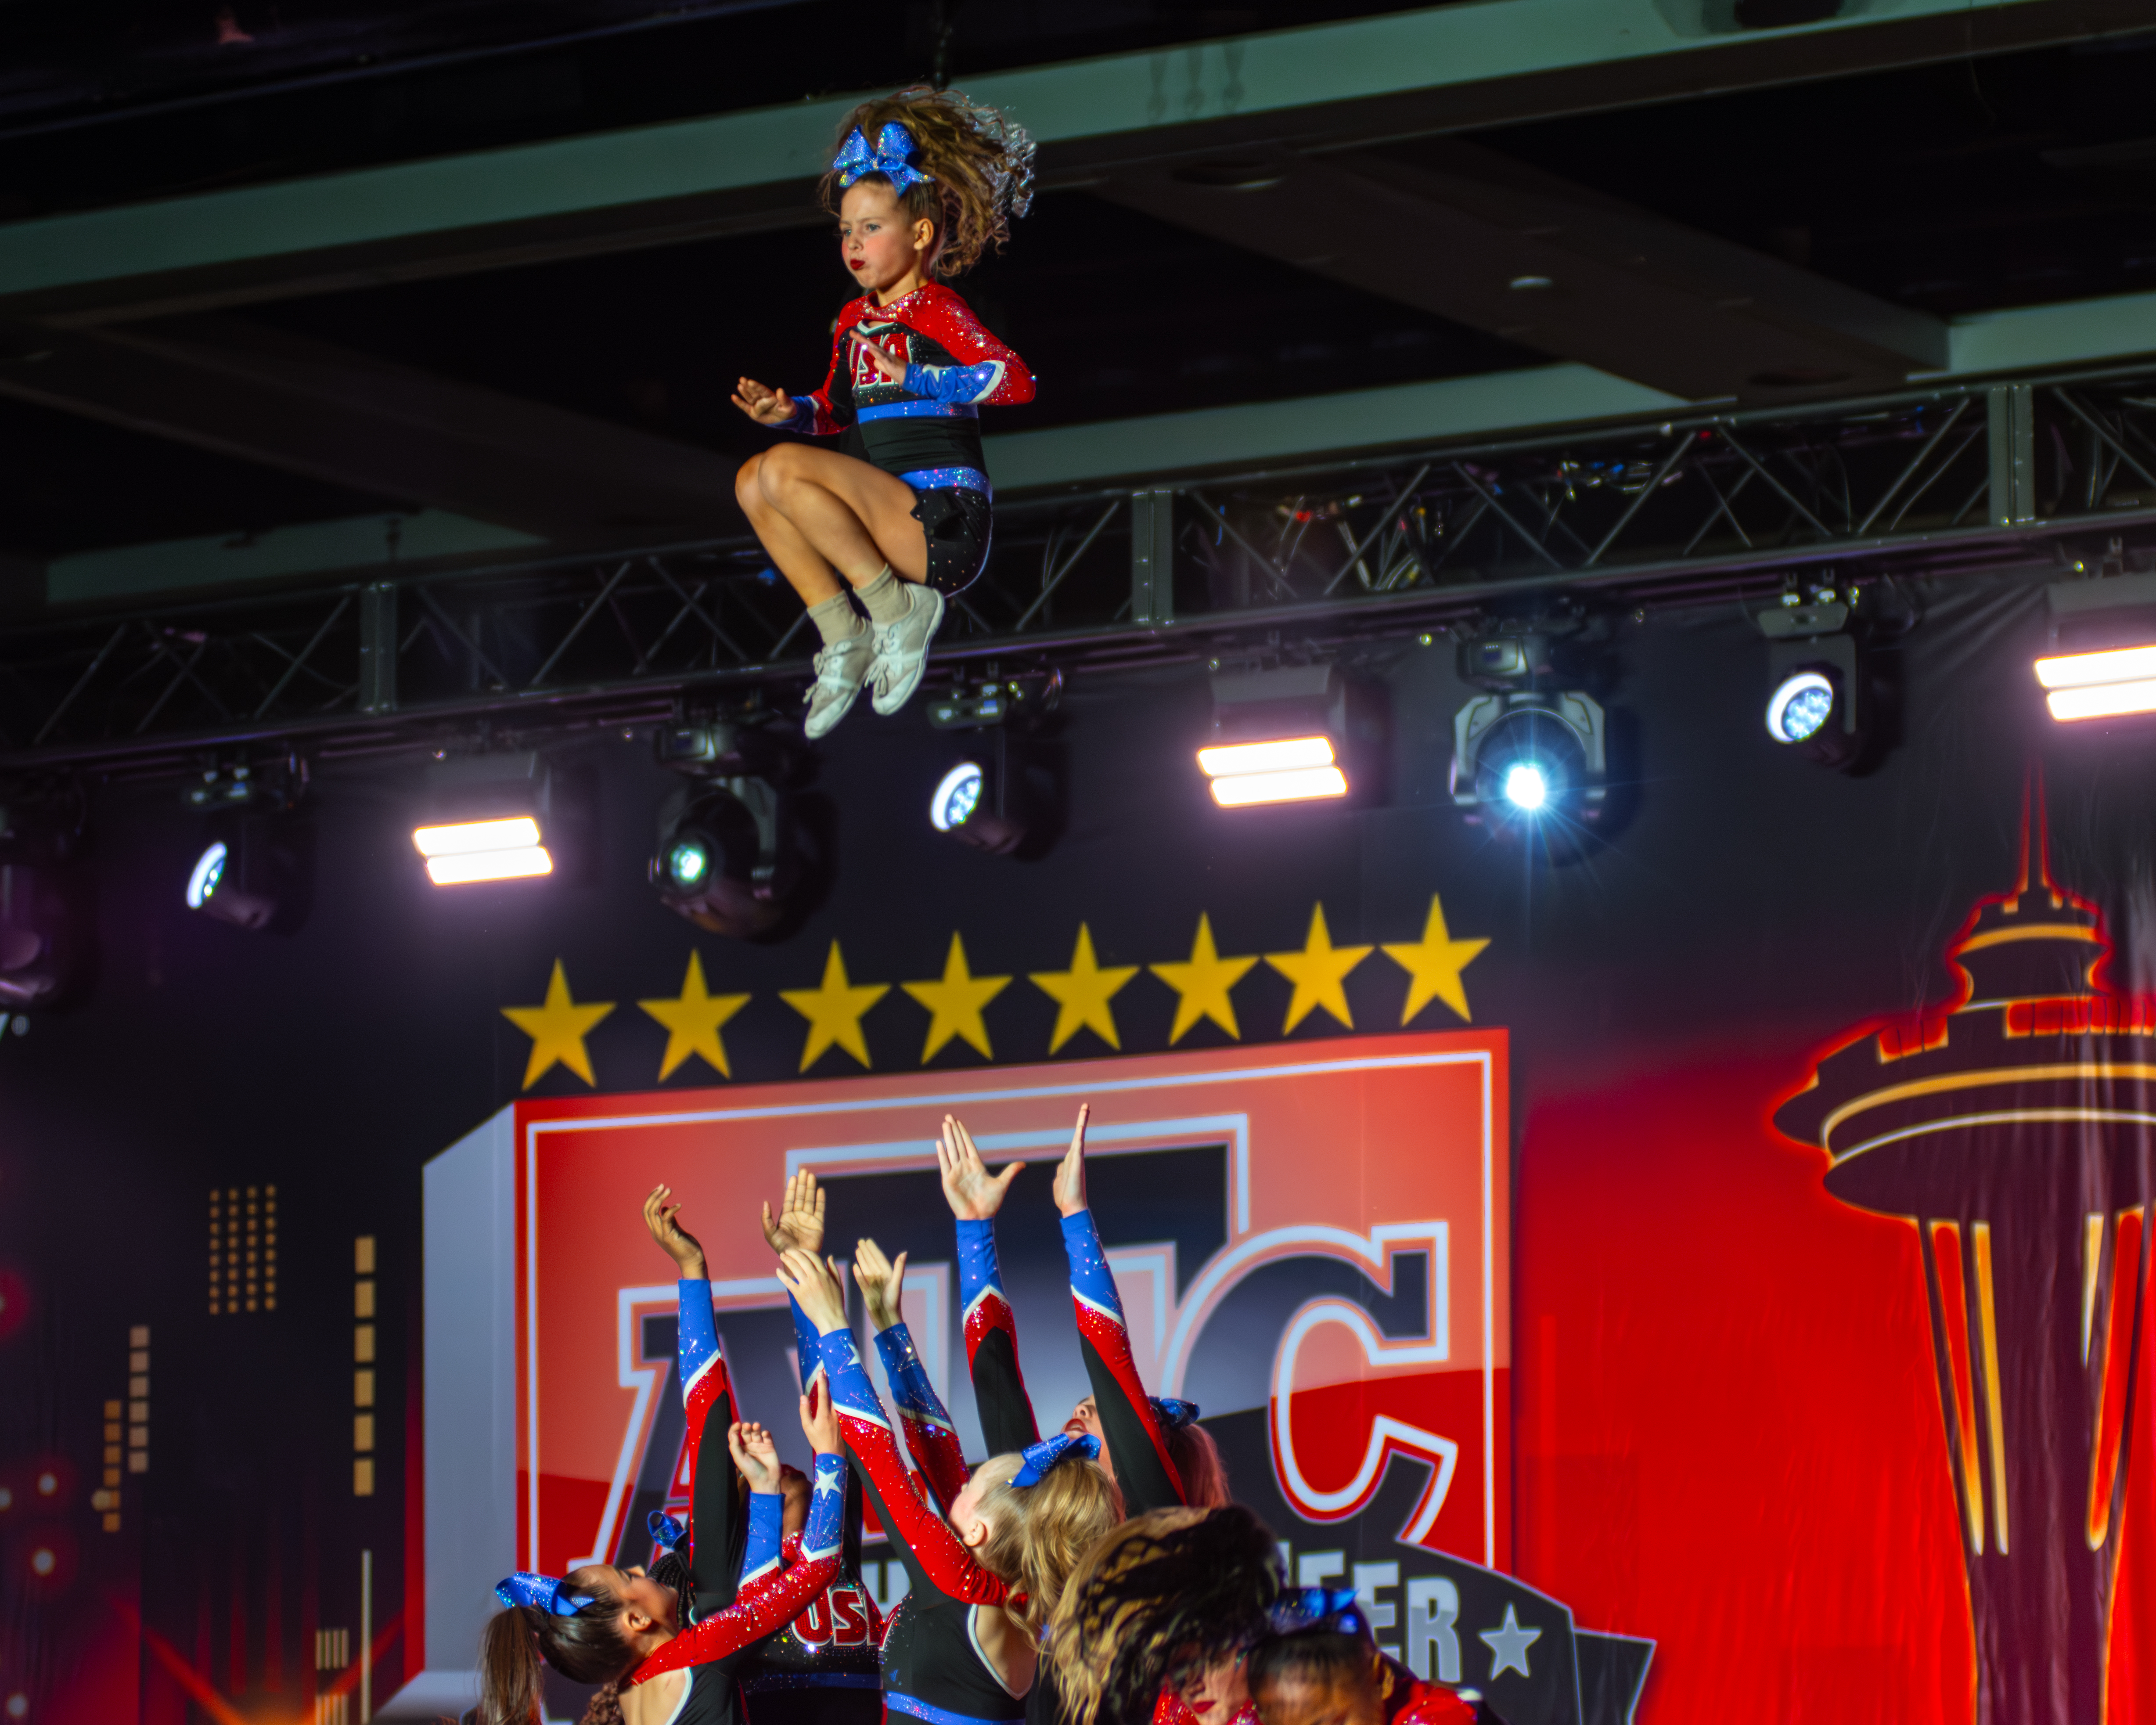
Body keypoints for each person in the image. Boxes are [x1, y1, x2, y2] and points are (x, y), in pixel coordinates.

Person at [474, 1186, 849, 1725]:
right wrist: (832, 1460)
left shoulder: (634, 1694)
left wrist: (766, 1493)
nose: (640, 1566)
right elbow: (818, 1569)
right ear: (636, 1620)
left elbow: (754, 1596)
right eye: (630, 1576)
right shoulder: (697, 1657)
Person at [731, 85, 1037, 740]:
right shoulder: (853, 320)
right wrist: (788, 411)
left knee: (782, 471)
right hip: (886, 514)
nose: (853, 244)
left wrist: (920, 375)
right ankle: (844, 633)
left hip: (942, 524)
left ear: (919, 233)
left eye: (870, 228)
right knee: (753, 479)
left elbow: (1015, 382)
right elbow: (835, 414)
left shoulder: (936, 309)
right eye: (846, 230)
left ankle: (899, 612)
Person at [774, 1241, 1121, 1725]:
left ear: (979, 1529)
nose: (958, 1484)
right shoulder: (1005, 1594)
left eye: (971, 1485)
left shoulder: (961, 1590)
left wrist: (833, 1322)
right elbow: (940, 1452)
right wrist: (889, 1326)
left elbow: (880, 1459)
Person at [939, 1107, 1229, 1517]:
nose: (1081, 1410)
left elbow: (1113, 1367)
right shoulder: (1036, 1525)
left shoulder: (1158, 1521)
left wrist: (1076, 1217)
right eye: (1086, 1404)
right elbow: (997, 1390)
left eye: (1103, 1408)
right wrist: (974, 1229)